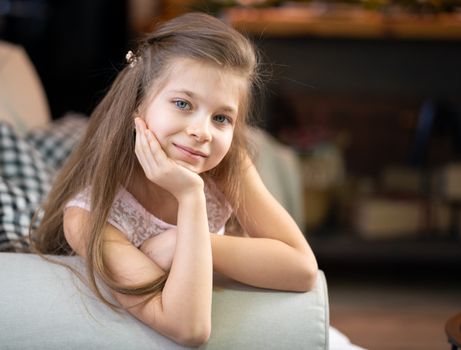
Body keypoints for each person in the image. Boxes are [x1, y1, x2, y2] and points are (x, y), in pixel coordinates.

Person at [32, 12, 318, 347]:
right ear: (138, 103)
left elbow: (302, 270)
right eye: (182, 103)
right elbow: (189, 328)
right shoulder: (87, 217)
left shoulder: (228, 167)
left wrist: (181, 240)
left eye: (221, 117)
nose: (201, 131)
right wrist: (191, 197)